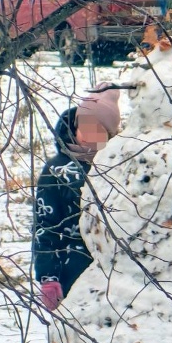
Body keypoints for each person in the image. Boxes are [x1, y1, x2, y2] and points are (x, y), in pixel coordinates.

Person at [33, 85, 121, 311]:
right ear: (75, 126)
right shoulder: (56, 171)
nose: (91, 136)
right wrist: (49, 277)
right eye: (86, 128)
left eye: (99, 131)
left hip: (113, 273)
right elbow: (45, 225)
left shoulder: (117, 169)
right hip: (69, 269)